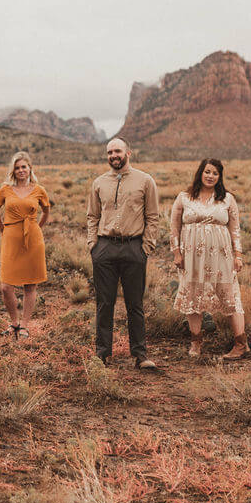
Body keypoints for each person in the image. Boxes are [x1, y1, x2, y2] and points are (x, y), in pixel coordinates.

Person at [86, 138, 159, 370]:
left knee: (134, 304)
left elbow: (153, 217)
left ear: (128, 152)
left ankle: (140, 355)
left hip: (133, 247)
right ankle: (102, 354)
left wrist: (146, 247)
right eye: (109, 152)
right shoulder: (99, 182)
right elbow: (92, 216)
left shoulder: (145, 181)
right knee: (104, 303)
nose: (113, 155)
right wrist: (92, 244)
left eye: (117, 151)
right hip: (105, 247)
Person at [170, 159, 248, 360]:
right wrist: (176, 252)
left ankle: (241, 344)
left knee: (229, 294)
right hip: (191, 256)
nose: (210, 176)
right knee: (192, 295)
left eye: (215, 173)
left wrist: (238, 255)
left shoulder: (227, 199)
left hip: (221, 256)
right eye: (207, 171)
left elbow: (235, 229)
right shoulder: (184, 197)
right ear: (200, 173)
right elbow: (174, 227)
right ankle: (196, 342)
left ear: (220, 177)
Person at [0, 151, 51, 338]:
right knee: (5, 286)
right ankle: (14, 323)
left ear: (29, 168)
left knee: (30, 285)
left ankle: (24, 325)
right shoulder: (5, 189)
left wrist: (37, 228)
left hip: (32, 239)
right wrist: (4, 229)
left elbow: (46, 211)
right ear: (13, 170)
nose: (20, 170)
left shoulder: (39, 189)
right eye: (17, 168)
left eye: (23, 167)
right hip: (10, 238)